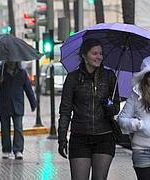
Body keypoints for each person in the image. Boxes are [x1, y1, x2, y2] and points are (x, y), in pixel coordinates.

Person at [57, 39, 120, 180]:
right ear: (84, 55)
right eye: (94, 53)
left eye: (101, 54)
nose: (99, 57)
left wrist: (111, 108)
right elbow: (65, 110)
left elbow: (116, 107)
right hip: (80, 137)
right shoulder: (73, 78)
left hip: (104, 136)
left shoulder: (109, 77)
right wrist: (62, 137)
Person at [0, 61, 37, 159]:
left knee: (18, 128)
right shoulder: (0, 71)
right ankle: (6, 149)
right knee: (5, 129)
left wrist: (33, 103)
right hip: (4, 105)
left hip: (17, 105)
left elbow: (28, 88)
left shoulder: (22, 73)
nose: (11, 62)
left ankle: (18, 150)